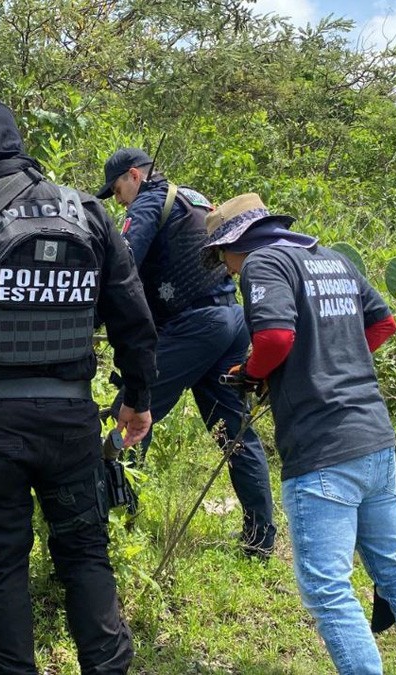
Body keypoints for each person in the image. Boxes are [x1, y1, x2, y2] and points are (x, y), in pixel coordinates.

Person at [0, 100, 158, 675]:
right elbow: (134, 318)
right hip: (71, 422)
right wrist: (137, 398)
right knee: (87, 555)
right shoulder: (90, 213)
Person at [206, 193, 396, 674]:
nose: (229, 270)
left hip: (323, 448)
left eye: (223, 257)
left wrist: (256, 372)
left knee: (327, 587)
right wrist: (335, 363)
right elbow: (383, 324)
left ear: (238, 242)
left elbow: (276, 339)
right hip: (374, 436)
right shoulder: (331, 259)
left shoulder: (265, 263)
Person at [94, 148, 276, 556]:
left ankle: (118, 528)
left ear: (135, 176)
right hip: (230, 321)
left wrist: (89, 319)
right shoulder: (192, 196)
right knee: (234, 431)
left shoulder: (148, 203)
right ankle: (260, 540)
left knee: (132, 411)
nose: (118, 198)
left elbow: (120, 268)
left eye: (118, 188)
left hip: (194, 327)